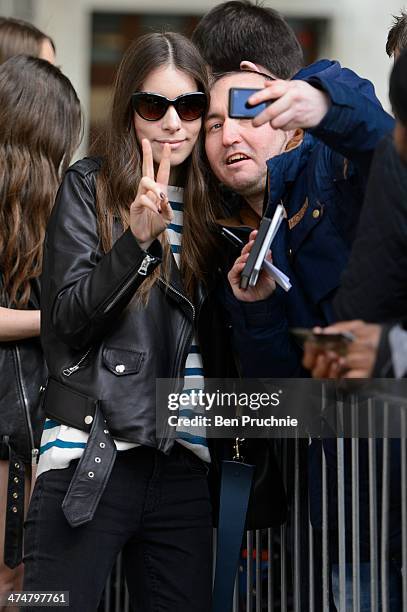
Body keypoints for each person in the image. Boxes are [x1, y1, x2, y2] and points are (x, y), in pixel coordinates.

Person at [22, 32, 221, 612]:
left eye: (188, 107)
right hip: (93, 451)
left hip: (183, 463)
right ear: (129, 109)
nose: (171, 124)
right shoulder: (90, 185)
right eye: (152, 106)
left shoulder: (217, 206)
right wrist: (135, 244)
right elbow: (65, 322)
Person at [0, 56, 81, 611]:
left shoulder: (55, 207)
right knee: (18, 585)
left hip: (36, 429)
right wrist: (61, 317)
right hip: (18, 432)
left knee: (31, 586)